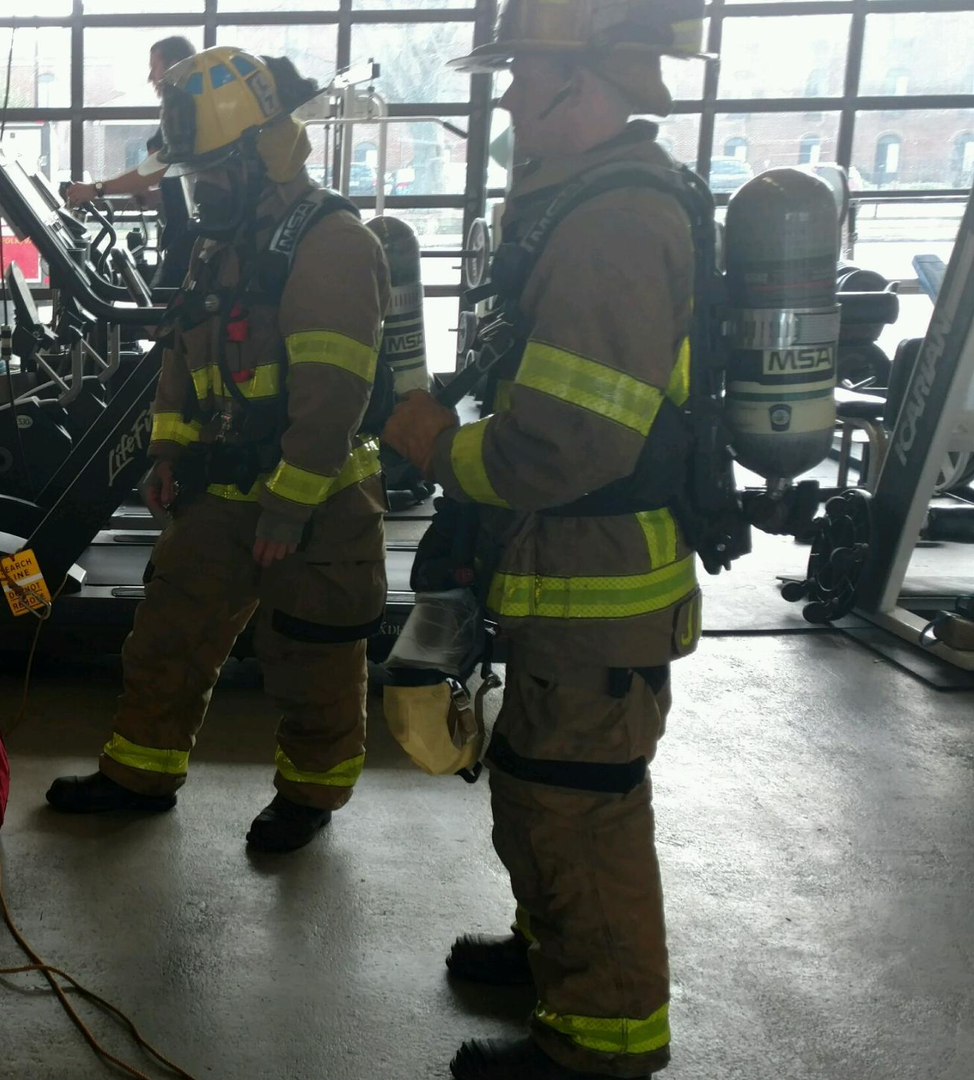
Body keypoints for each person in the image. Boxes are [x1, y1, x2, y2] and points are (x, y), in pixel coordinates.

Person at [382, 3, 710, 1077]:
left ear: (587, 81)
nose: (512, 94)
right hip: (564, 577)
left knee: (579, 807)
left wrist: (440, 449)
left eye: (527, 71)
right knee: (537, 782)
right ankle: (553, 956)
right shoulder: (584, 205)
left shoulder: (616, 224)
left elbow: (567, 442)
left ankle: (602, 1040)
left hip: (598, 583)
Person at [45, 46, 391, 854]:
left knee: (311, 659)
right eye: (193, 174)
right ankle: (140, 774)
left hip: (316, 501)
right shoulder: (219, 243)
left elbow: (333, 395)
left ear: (266, 150)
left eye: (211, 172)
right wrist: (167, 451)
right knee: (166, 639)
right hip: (220, 492)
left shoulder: (332, 242)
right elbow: (183, 357)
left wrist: (289, 504)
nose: (199, 189)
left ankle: (309, 797)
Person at [61, 36, 199, 288]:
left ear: (174, 67)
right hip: (187, 235)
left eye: (154, 67)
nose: (151, 77)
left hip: (191, 241)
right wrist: (158, 196)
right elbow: (188, 175)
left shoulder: (184, 114)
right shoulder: (190, 111)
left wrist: (95, 189)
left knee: (160, 307)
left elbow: (152, 170)